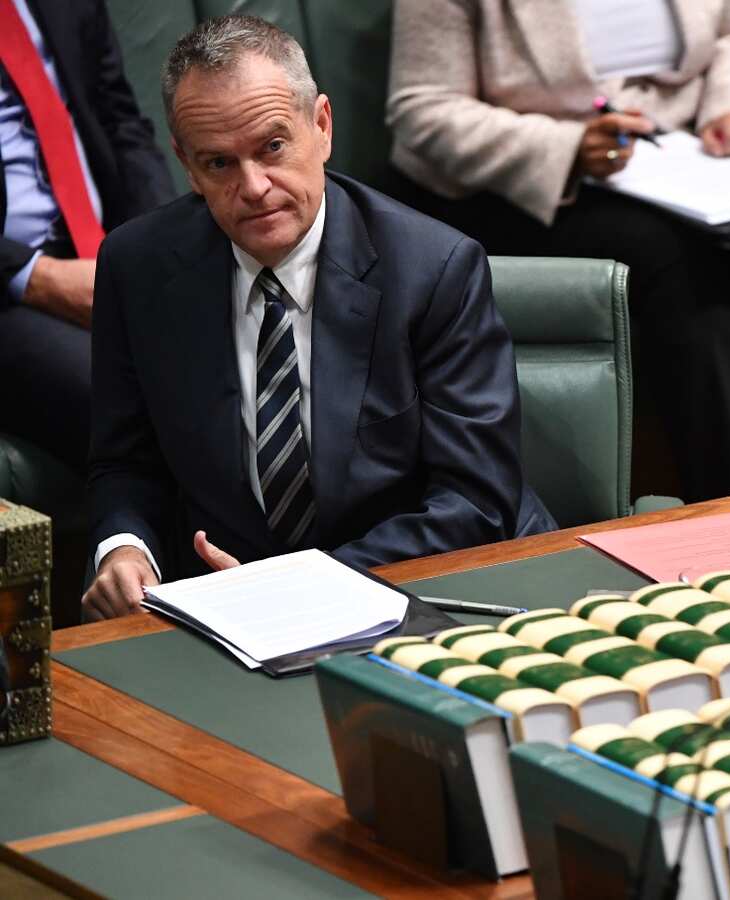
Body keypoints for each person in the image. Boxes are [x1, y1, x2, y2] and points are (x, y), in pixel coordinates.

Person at [81, 15, 555, 622]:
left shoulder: (435, 267)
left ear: (322, 127)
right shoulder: (136, 266)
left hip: (419, 598)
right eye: (219, 164)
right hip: (233, 619)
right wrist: (124, 547)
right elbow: (125, 461)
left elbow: (474, 500)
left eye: (273, 147)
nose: (253, 186)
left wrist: (300, 587)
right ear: (186, 164)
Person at [385, 0, 730, 502]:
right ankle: (728, 506)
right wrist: (568, 146)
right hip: (521, 182)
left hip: (681, 161)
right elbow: (423, 107)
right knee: (677, 261)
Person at [0, 0, 174, 471]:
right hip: (12, 287)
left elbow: (120, 119)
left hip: (104, 248)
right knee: (133, 392)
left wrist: (158, 240)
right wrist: (37, 276)